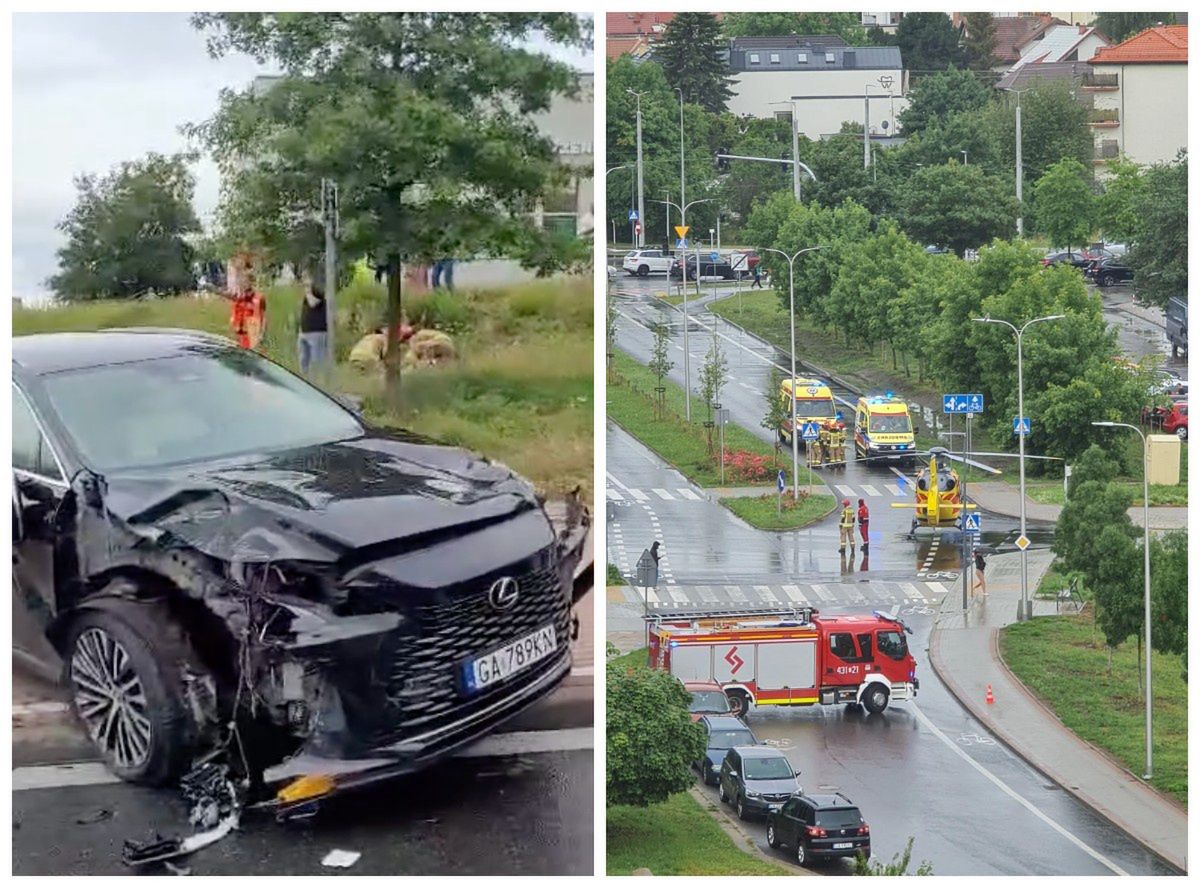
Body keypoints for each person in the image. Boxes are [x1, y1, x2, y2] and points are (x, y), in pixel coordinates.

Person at [297, 280, 329, 374]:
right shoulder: (306, 297)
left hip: (317, 332)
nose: (305, 288)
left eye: (307, 286)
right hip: (304, 332)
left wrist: (308, 291)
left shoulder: (318, 295)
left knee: (317, 361)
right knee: (303, 360)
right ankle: (304, 380)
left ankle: (319, 383)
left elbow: (313, 303)